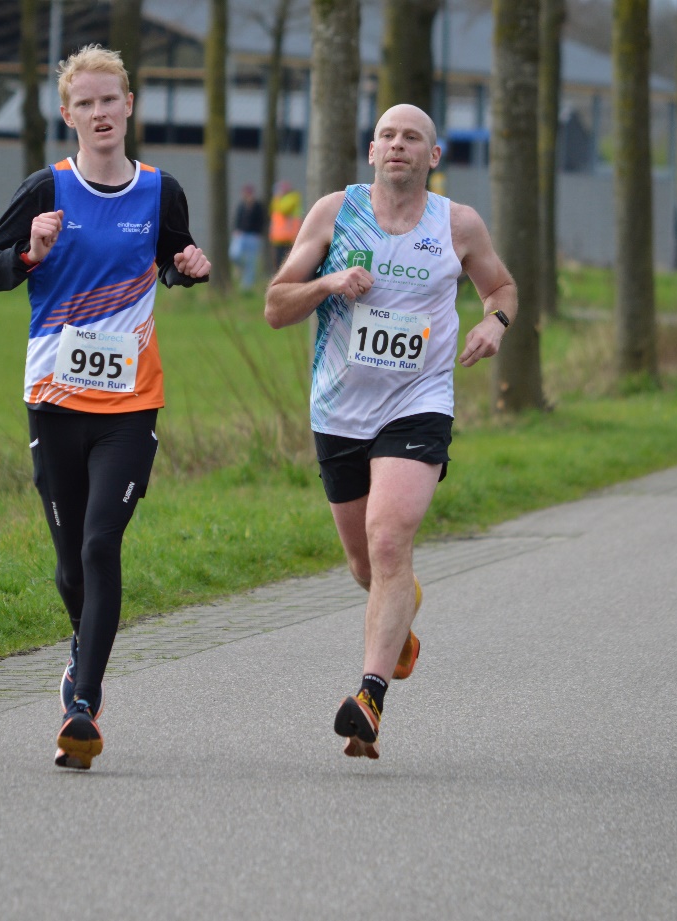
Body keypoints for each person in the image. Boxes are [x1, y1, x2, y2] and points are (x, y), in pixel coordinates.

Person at [0, 45, 211, 770]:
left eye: (112, 99)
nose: (101, 113)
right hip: (54, 402)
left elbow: (173, 258)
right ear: (68, 114)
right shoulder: (47, 188)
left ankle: (84, 703)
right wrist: (30, 255)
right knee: (72, 565)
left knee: (103, 543)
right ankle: (83, 653)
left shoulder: (161, 191)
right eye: (87, 103)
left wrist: (184, 269)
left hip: (132, 404)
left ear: (130, 105)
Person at [264, 104, 516, 760]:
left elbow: (503, 287)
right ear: (371, 150)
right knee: (363, 562)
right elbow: (274, 306)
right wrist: (328, 282)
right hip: (340, 408)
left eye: (414, 138)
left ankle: (369, 695)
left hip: (419, 401)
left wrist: (496, 323)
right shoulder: (331, 213)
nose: (399, 145)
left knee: (388, 536)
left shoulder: (456, 224)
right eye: (389, 136)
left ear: (434, 157)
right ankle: (399, 623)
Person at [230, 184, 267, 291]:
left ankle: (247, 285)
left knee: (251, 261)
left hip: (253, 236)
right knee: (234, 254)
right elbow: (237, 219)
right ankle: (240, 267)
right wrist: (236, 230)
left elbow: (262, 220)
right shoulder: (241, 205)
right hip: (241, 235)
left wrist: (259, 233)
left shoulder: (258, 206)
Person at [268, 180, 303, 270]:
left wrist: (277, 198)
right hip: (278, 238)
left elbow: (284, 210)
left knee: (286, 261)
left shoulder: (292, 198)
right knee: (278, 261)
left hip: (288, 236)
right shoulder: (280, 200)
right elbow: (272, 211)